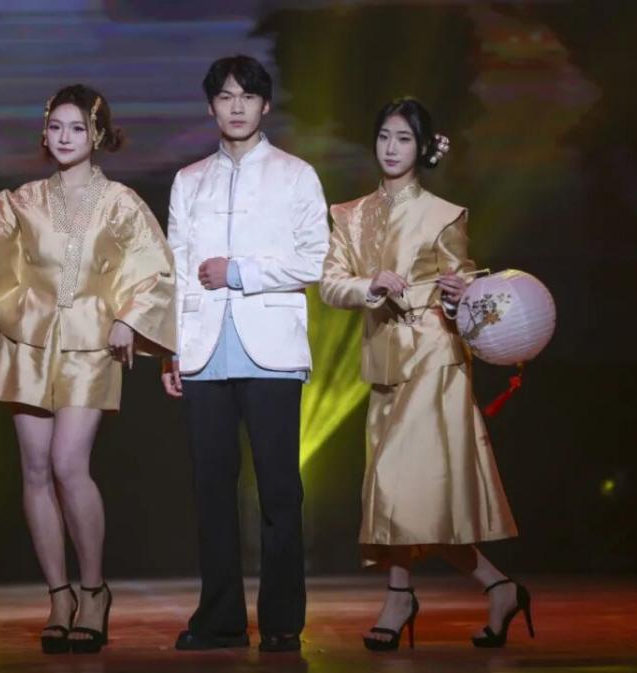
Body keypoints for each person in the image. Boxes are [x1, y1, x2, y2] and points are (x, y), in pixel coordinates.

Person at [0, 84, 176, 654]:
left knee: (67, 464)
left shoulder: (121, 203)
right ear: (44, 132)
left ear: (97, 135)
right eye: (56, 127)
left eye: (77, 128)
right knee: (34, 470)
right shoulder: (21, 200)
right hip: (27, 340)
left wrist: (129, 319)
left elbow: (154, 269)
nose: (64, 137)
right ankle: (59, 596)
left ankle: (94, 590)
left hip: (90, 343)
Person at [319, 97, 533, 651]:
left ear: (422, 148)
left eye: (404, 139)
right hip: (383, 362)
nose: (391, 148)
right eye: (384, 136)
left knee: (398, 486)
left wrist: (461, 293)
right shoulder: (348, 214)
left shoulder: (445, 214)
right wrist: (370, 284)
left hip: (435, 359)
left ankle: (398, 597)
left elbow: (469, 295)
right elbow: (330, 284)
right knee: (416, 499)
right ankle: (499, 588)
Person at [160, 55, 329, 653]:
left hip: (272, 349)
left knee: (279, 489)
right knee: (211, 489)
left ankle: (281, 620)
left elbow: (314, 260)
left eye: (248, 96)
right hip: (203, 350)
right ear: (211, 107)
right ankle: (221, 619)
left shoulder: (295, 175)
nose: (237, 107)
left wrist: (238, 272)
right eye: (226, 97)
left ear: (265, 105)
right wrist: (171, 347)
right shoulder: (189, 180)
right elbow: (176, 268)